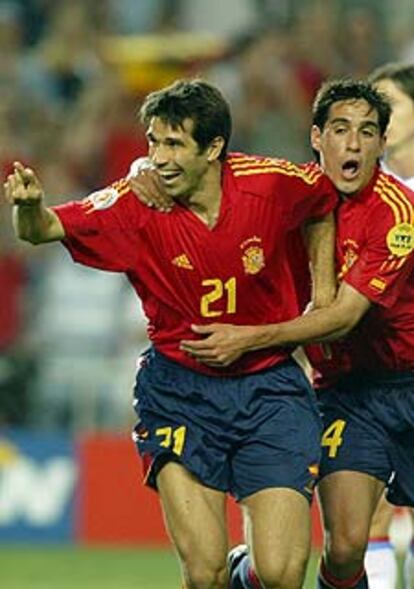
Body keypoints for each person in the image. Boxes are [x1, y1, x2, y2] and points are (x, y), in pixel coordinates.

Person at [3, 79, 338, 589]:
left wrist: (324, 289)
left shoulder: (270, 184)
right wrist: (27, 206)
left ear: (214, 148)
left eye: (175, 144)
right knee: (203, 576)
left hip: (270, 387)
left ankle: (242, 570)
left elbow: (327, 199)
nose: (158, 158)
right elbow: (41, 229)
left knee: (281, 574)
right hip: (180, 391)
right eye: (153, 143)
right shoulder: (137, 204)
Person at [179, 78, 414, 589]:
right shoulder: (285, 193)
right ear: (316, 137)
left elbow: (343, 316)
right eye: (340, 130)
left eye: (367, 132)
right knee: (348, 546)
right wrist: (144, 171)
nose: (353, 144)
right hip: (348, 393)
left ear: (380, 143)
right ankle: (249, 574)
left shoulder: (397, 214)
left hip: (410, 379)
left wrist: (248, 338)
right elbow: (215, 173)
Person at [362, 61, 414, 589]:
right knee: (364, 511)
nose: (378, 119)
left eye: (391, 105)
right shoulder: (360, 190)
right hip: (368, 370)